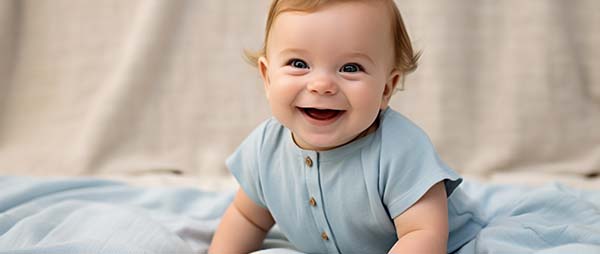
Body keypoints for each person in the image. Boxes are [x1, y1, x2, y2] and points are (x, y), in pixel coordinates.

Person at [209, 0, 462, 253]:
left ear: (386, 88)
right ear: (267, 77)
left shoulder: (402, 150)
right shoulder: (265, 148)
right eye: (299, 64)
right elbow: (247, 217)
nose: (321, 84)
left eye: (350, 68)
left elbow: (422, 233)